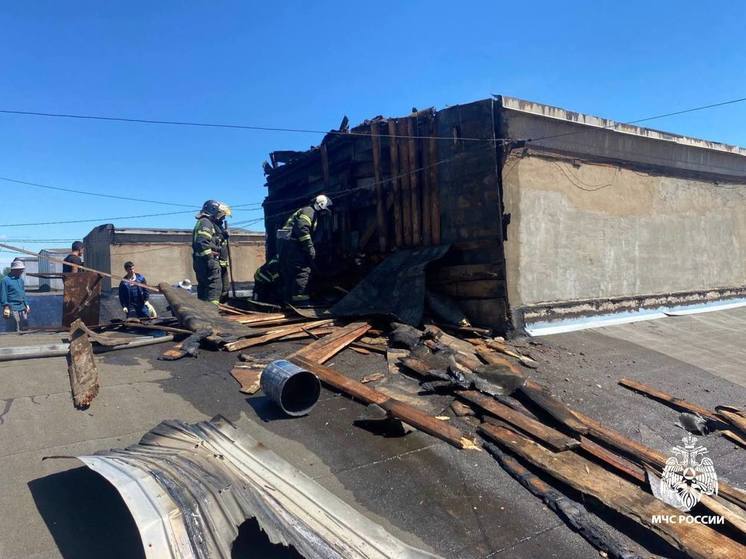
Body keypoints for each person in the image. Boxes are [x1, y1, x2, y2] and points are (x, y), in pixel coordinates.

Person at [277, 194, 332, 305]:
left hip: (286, 244)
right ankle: (301, 302)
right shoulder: (309, 211)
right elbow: (302, 229)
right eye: (323, 209)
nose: (323, 213)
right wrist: (309, 247)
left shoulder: (308, 211)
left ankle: (289, 301)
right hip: (292, 245)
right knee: (302, 270)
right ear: (320, 205)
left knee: (290, 272)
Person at [192, 200, 231, 305]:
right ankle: (212, 314)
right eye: (221, 215)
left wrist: (222, 236)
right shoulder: (205, 222)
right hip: (207, 262)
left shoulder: (212, 224)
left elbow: (214, 242)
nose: (223, 218)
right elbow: (202, 243)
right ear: (213, 211)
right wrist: (210, 260)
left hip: (206, 262)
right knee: (214, 289)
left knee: (209, 290)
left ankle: (207, 312)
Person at [1, 259, 31, 332]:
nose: (22, 271)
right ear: (14, 270)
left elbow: (23, 293)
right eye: (20, 270)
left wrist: (27, 305)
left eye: (22, 269)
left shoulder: (20, 280)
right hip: (12, 308)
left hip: (22, 307)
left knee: (24, 327)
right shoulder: (5, 280)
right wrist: (6, 307)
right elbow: (3, 295)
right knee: (13, 328)